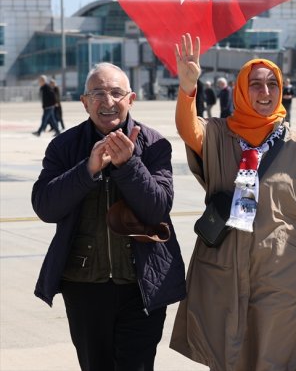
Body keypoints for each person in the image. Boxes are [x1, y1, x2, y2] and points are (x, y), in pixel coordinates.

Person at [170, 34, 296, 371]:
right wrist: (188, 88)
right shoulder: (220, 133)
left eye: (272, 84)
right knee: (228, 353)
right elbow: (189, 130)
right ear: (242, 90)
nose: (264, 92)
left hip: (282, 271)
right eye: (256, 84)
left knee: (271, 356)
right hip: (226, 267)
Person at [31, 63, 186, 371]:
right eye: (98, 93)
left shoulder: (154, 144)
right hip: (85, 285)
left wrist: (129, 165)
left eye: (116, 92)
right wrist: (88, 169)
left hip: (141, 284)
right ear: (84, 102)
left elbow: (157, 208)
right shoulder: (64, 146)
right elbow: (45, 206)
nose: (108, 101)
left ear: (131, 99)